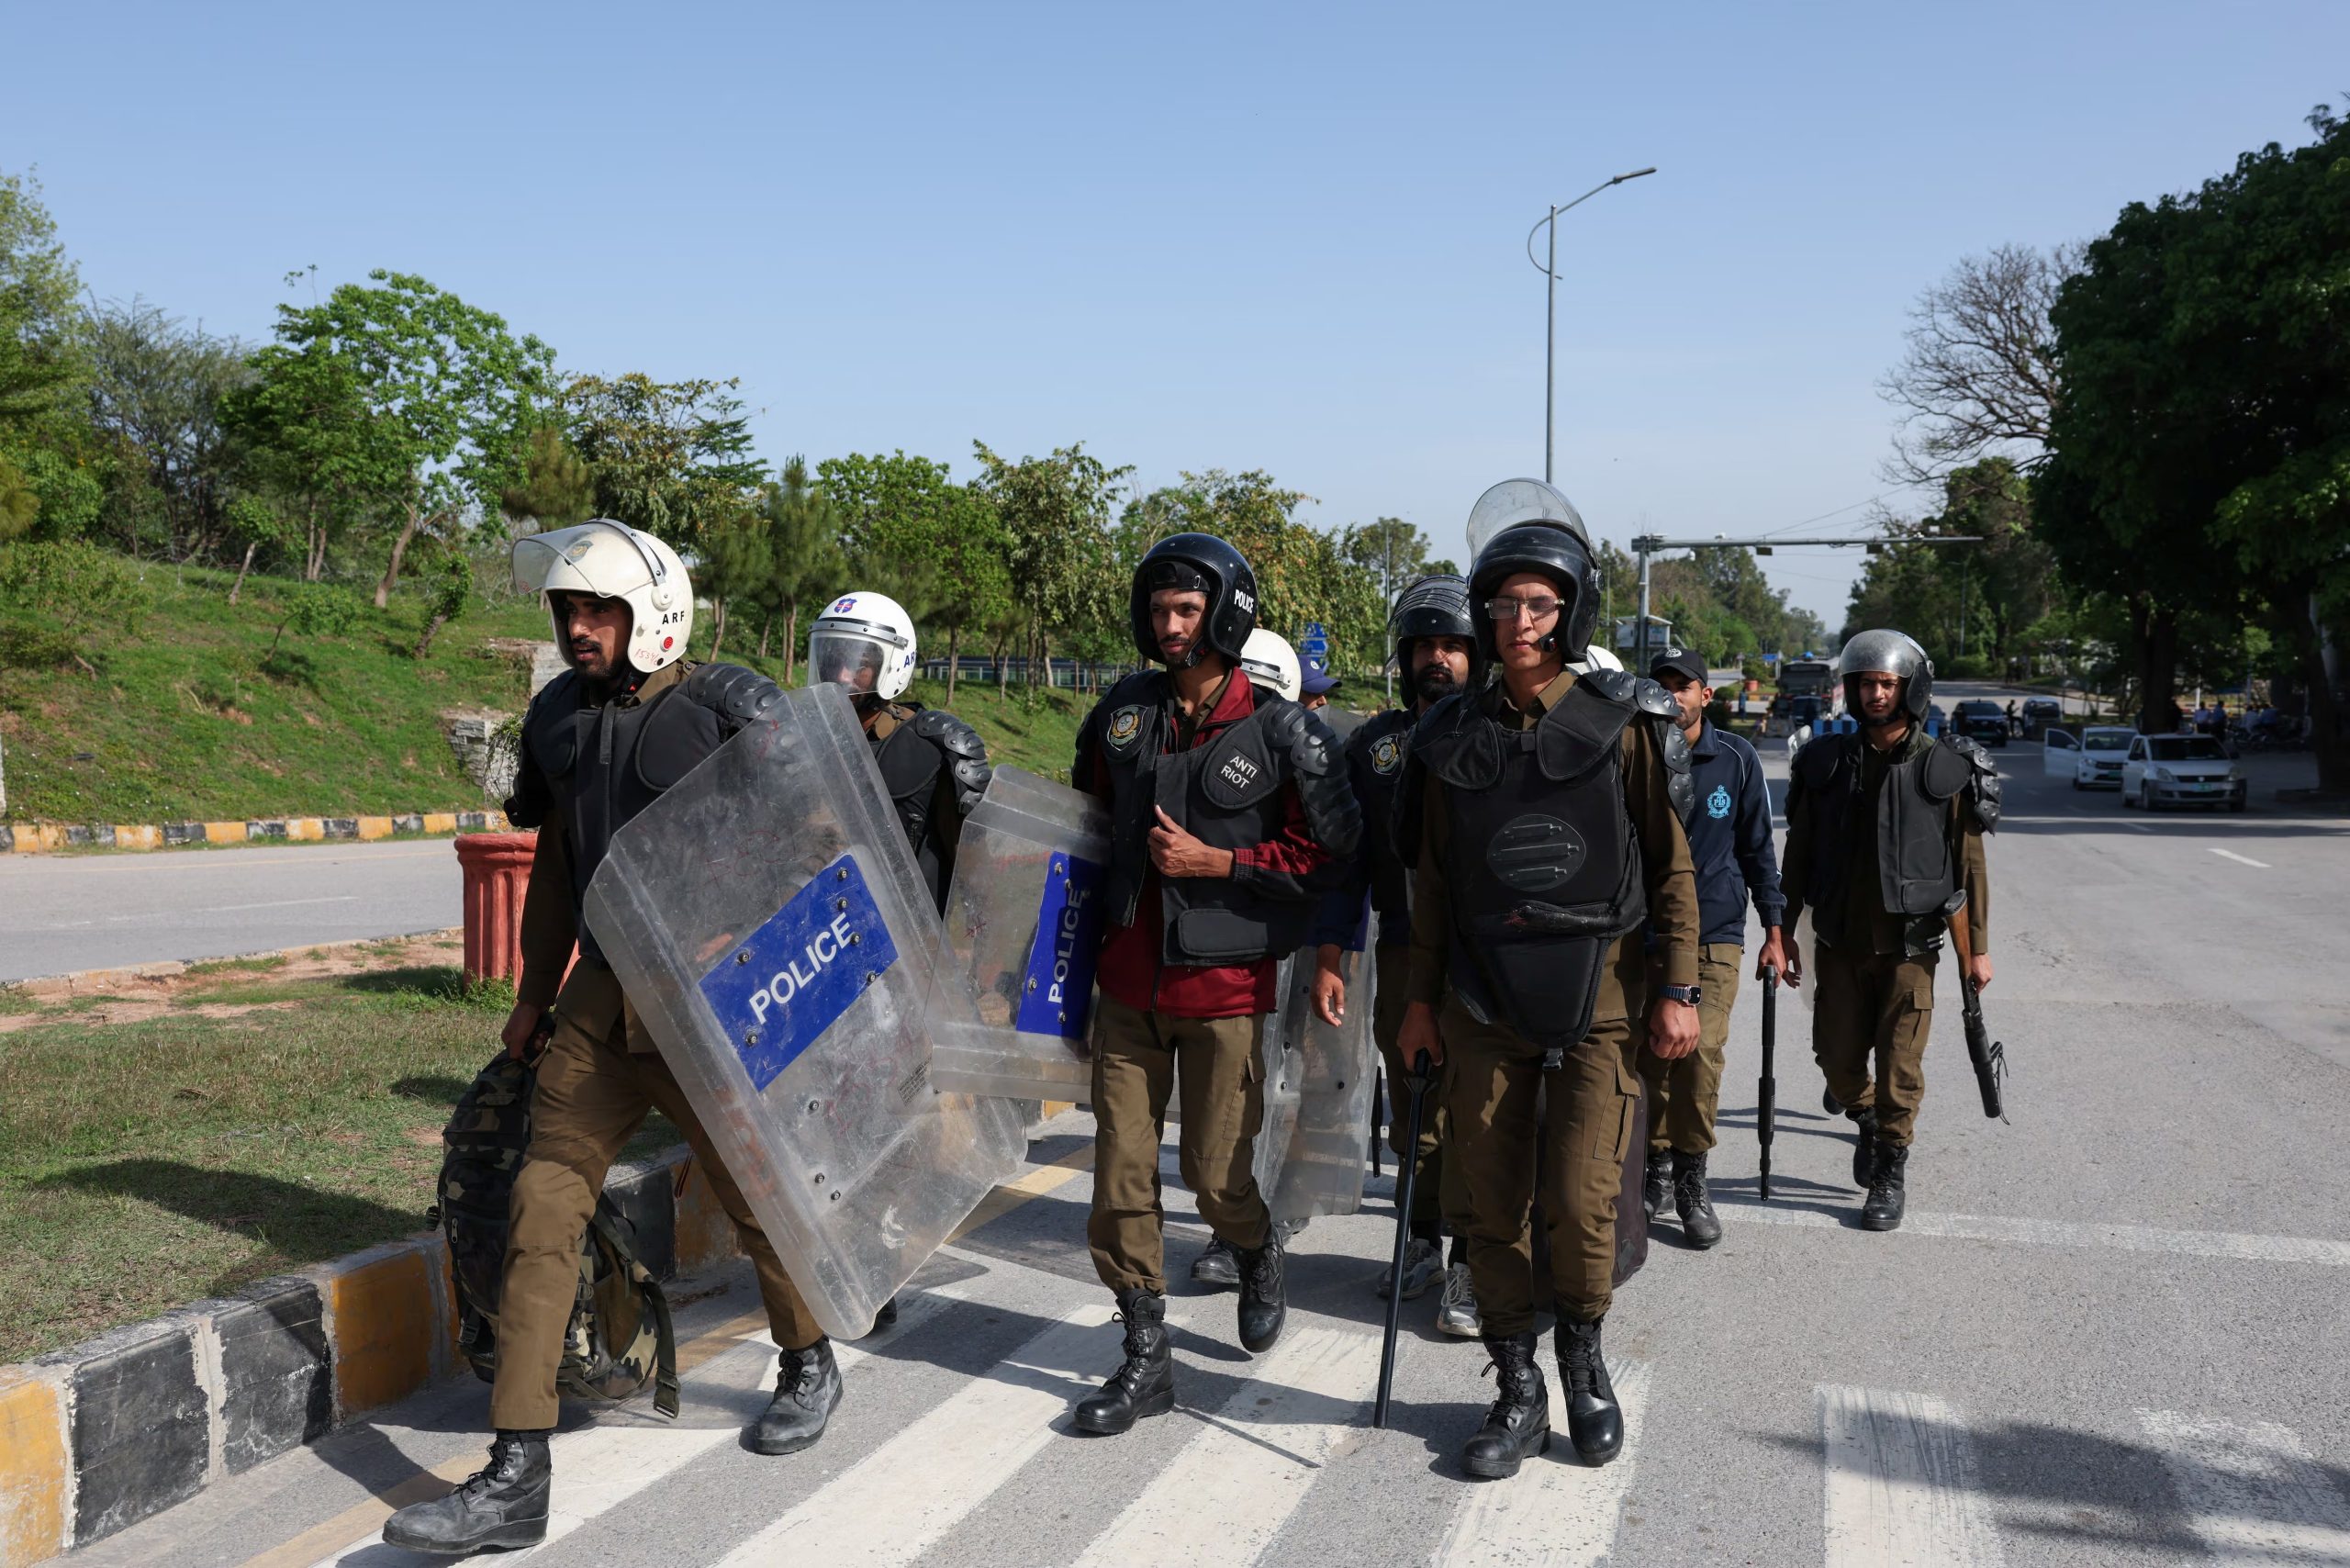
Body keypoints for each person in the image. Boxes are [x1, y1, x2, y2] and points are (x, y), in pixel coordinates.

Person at [384, 521, 830, 1556]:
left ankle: (807, 1356)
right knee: (543, 1206)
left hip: (713, 997)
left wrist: (750, 933)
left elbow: (822, 841)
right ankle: (517, 1469)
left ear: (655, 614)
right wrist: (536, 997)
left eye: (600, 611)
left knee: (754, 1193)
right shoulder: (556, 718)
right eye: (568, 611)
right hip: (601, 995)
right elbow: (554, 866)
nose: (579, 629)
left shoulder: (732, 710)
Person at [1395, 480, 1700, 1478]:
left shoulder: (1623, 726)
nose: (1518, 623)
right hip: (1483, 1003)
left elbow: (1671, 868)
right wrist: (1417, 1002)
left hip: (1600, 1003)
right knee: (1488, 1203)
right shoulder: (1447, 741)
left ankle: (1581, 1359)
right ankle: (1515, 1383)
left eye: (1538, 604)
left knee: (1580, 1199)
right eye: (1503, 604)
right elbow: (1431, 884)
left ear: (1569, 612)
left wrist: (1679, 989)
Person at [1067, 533, 1360, 1436]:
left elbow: (1328, 856)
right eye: (1157, 608)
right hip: (1124, 987)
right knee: (1118, 1177)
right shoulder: (1121, 715)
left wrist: (1217, 859)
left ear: (1224, 614)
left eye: (1185, 609)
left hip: (1225, 990)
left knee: (1214, 1173)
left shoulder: (1284, 732)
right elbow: (1076, 832)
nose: (1168, 624)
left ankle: (1253, 1242)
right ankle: (1144, 1353)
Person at [1304, 574, 1485, 1332]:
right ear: (1405, 657)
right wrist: (1330, 954)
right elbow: (1347, 864)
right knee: (1412, 1104)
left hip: (1485, 959)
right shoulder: (1372, 747)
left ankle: (1475, 1260)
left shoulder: (1500, 732)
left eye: (1452, 645)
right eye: (1424, 647)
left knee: (1479, 1106)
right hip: (1406, 950)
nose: (1438, 659)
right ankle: (1419, 1240)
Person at [1780, 630, 1997, 1232]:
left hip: (1910, 951)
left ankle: (1888, 1172)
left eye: (1886, 684)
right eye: (1866, 683)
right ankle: (1869, 1125)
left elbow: (1968, 867)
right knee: (1837, 1062)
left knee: (1901, 1067)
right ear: (1849, 689)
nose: (1875, 694)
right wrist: (1781, 929)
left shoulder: (1945, 767)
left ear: (1909, 689)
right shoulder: (1824, 763)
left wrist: (1975, 950)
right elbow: (1797, 853)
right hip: (1840, 945)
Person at [1637, 649, 1785, 1249]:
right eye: (1663, 686)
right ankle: (1653, 1168)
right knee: (1649, 1058)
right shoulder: (1635, 753)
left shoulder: (1735, 759)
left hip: (1715, 931)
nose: (1674, 696)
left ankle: (1692, 1178)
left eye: (1684, 686)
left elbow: (1757, 850)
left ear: (1707, 695)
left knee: (1700, 1057)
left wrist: (1775, 930)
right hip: (1643, 931)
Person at [806, 590, 991, 915]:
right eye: (834, 661)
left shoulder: (933, 750)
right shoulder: (805, 739)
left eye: (858, 664)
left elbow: (977, 880)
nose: (841, 676)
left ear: (893, 668)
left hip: (907, 947)